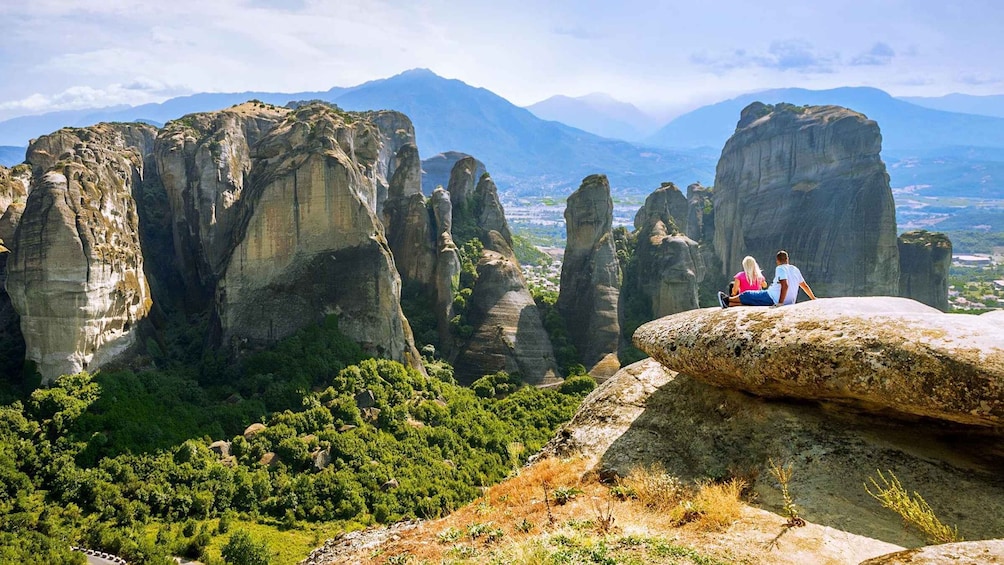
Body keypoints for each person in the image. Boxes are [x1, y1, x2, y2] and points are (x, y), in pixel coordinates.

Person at [718, 250, 817, 308]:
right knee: (751, 301)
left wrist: (780, 303)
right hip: (790, 301)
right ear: (787, 259)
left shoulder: (780, 268)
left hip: (772, 297)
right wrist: (813, 298)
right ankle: (729, 304)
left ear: (777, 261)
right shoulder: (795, 269)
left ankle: (727, 299)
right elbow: (804, 286)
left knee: (747, 294)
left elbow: (785, 285)